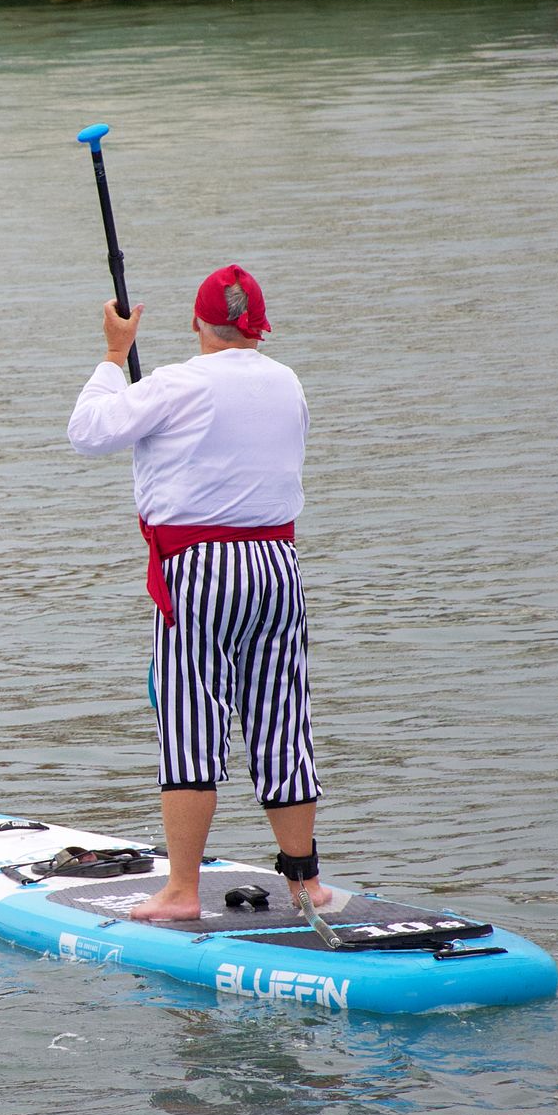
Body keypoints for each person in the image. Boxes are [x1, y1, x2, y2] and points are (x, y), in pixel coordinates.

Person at [66, 264, 345, 923]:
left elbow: (88, 431)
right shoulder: (289, 382)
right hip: (278, 565)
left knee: (190, 722)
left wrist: (113, 354)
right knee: (282, 718)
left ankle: (182, 889)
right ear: (260, 328)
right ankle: (304, 880)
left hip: (200, 569)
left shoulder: (176, 381)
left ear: (198, 324)